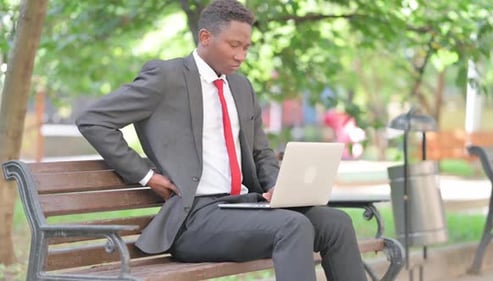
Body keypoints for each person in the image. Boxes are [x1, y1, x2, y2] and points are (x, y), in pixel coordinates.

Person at [76, 0, 367, 280]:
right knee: (293, 226)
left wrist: (276, 186)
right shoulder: (166, 77)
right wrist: (146, 175)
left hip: (244, 206)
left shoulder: (240, 87)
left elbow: (260, 152)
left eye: (246, 47)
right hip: (194, 219)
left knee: (336, 223)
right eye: (233, 45)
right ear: (205, 37)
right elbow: (94, 120)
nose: (241, 55)